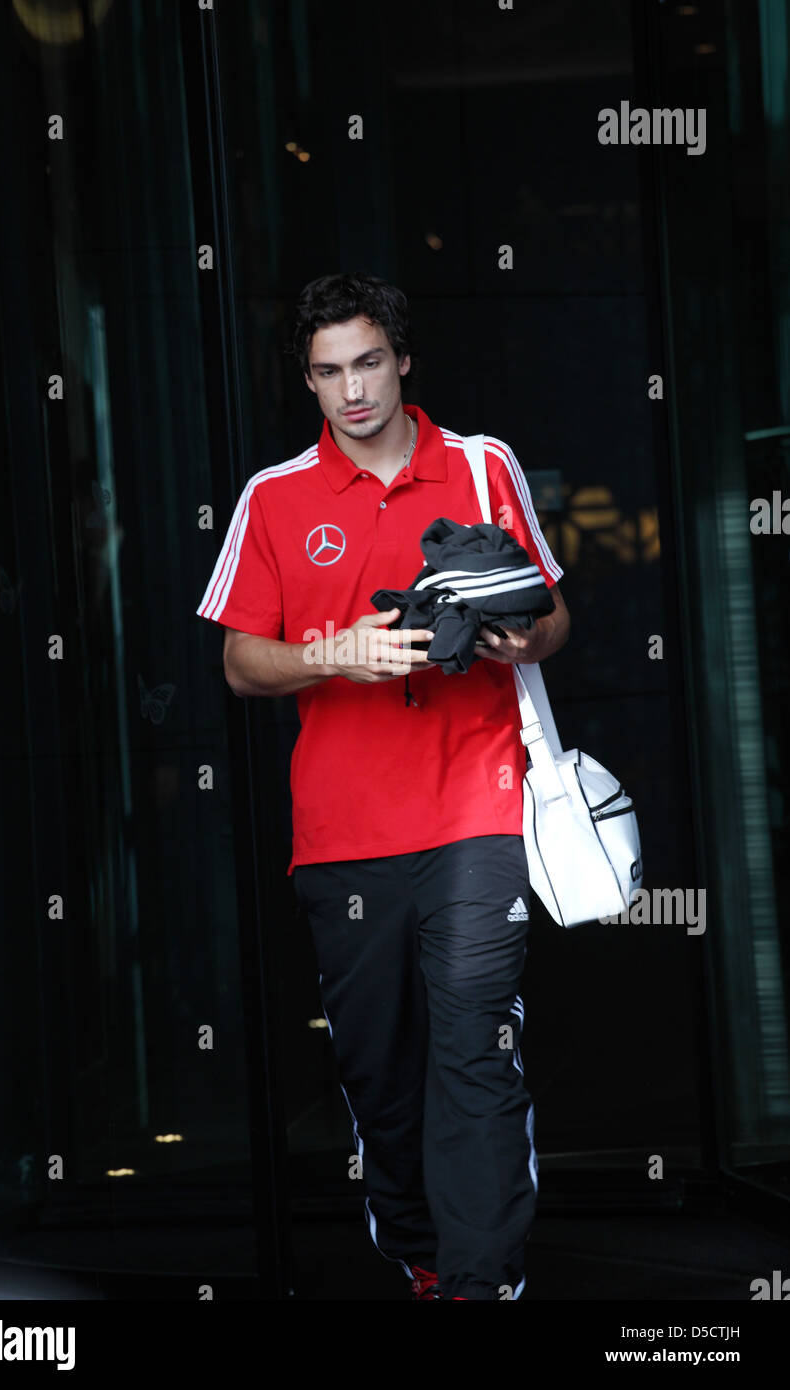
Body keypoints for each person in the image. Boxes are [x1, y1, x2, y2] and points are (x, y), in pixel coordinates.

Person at [196, 272, 570, 1301]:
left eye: (366, 362)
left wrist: (512, 632)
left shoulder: (482, 469)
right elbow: (239, 662)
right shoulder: (274, 497)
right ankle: (421, 1252)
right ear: (308, 383)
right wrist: (335, 651)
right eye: (327, 372)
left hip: (475, 810)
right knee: (381, 1073)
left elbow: (552, 622)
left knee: (472, 1047)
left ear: (401, 359)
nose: (350, 390)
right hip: (342, 831)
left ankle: (483, 1279)